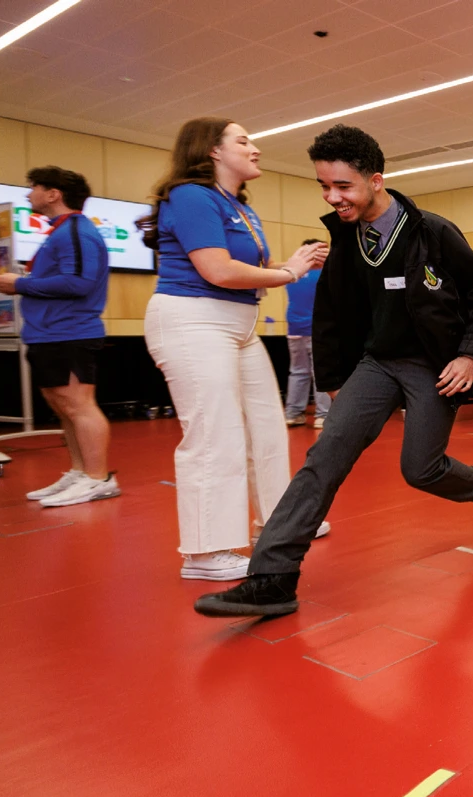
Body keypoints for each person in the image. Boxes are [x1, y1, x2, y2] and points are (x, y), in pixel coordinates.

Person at [192, 124, 473, 619]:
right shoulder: (345, 237)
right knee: (325, 459)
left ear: (375, 180)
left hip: (433, 365)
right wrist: (334, 379)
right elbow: (332, 314)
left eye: (342, 186)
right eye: (323, 185)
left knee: (420, 469)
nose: (332, 196)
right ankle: (272, 577)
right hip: (377, 363)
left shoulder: (432, 231)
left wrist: (469, 354)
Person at [137, 117, 329, 582]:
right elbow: (218, 270)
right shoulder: (189, 195)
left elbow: (250, 269)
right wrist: (291, 273)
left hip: (237, 325)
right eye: (243, 141)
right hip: (193, 319)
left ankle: (278, 525)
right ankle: (206, 552)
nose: (255, 148)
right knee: (213, 434)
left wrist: (295, 263)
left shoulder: (238, 205)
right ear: (213, 151)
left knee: (265, 428)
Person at [0, 166, 120, 507]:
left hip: (68, 333)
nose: (28, 194)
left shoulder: (75, 232)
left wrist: (19, 284)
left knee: (79, 406)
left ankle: (98, 478)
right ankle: (80, 472)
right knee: (65, 408)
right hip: (48, 335)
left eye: (33, 188)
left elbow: (80, 283)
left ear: (53, 194)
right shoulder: (61, 233)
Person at [284, 237, 332, 428]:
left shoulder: (293, 272)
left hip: (294, 328)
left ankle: (293, 413)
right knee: (320, 373)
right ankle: (323, 415)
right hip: (317, 329)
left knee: (297, 372)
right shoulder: (324, 272)